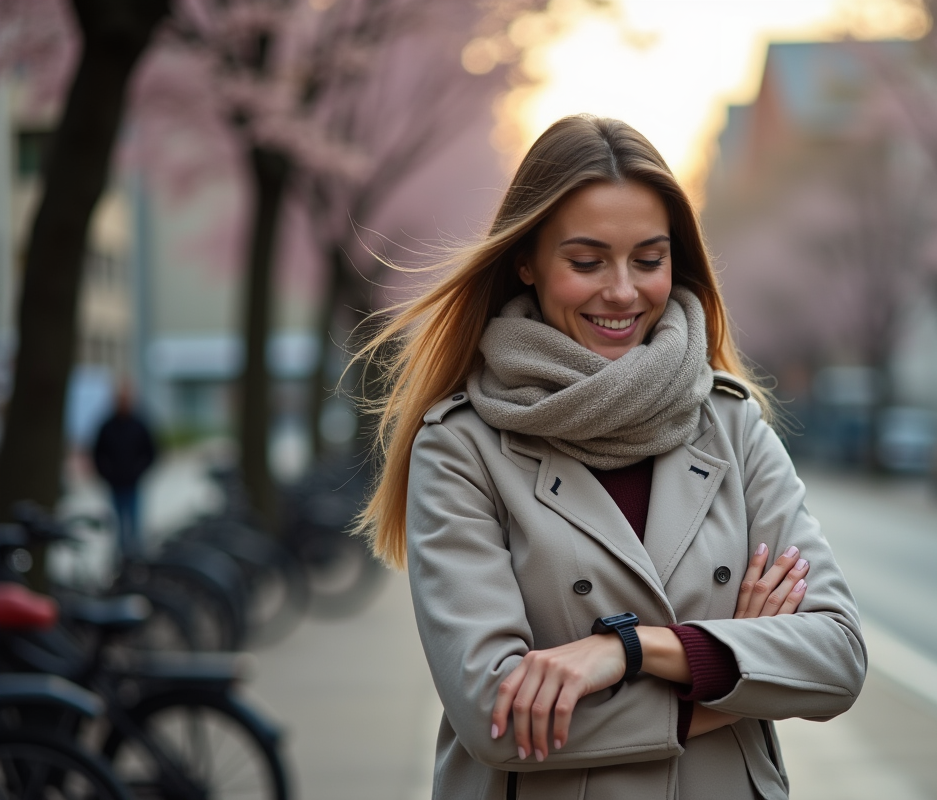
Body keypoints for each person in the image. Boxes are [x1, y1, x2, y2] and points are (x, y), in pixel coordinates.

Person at [359, 115, 866, 800]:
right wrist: (728, 665)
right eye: (587, 262)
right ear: (527, 262)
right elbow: (495, 715)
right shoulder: (461, 446)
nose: (624, 291)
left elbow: (836, 656)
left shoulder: (731, 424)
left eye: (649, 260)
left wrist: (627, 649)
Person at [92, 384, 157, 559]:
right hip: (115, 483)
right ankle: (122, 558)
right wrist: (106, 474)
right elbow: (97, 453)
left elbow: (152, 451)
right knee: (118, 523)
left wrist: (139, 471)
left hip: (133, 482)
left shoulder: (139, 424)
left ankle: (136, 556)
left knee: (135, 522)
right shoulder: (107, 426)